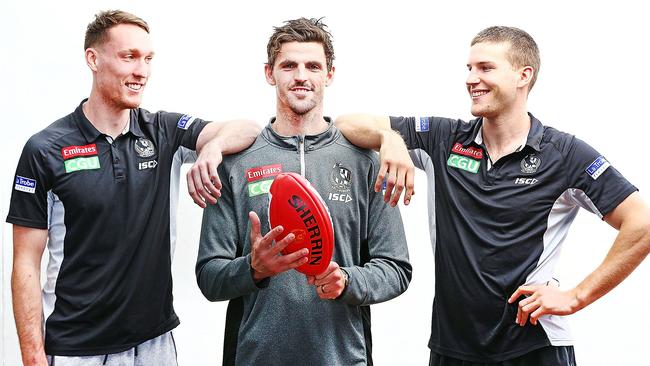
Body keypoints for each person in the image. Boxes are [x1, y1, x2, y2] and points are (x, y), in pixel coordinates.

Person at [336, 26, 650, 365]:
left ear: (523, 75)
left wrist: (577, 296)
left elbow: (641, 224)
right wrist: (389, 138)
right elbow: (344, 123)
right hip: (453, 346)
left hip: (535, 346)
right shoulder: (445, 138)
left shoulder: (564, 154)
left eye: (485, 68)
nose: (471, 78)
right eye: (469, 69)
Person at [7, 10, 260, 366]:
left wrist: (213, 147)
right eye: (128, 57)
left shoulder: (164, 132)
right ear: (93, 59)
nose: (141, 71)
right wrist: (33, 359)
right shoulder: (45, 149)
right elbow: (25, 265)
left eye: (148, 58)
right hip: (77, 350)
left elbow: (247, 128)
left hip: (154, 345)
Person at [196, 17, 412, 366]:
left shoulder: (365, 161)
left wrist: (347, 280)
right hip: (255, 358)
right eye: (289, 65)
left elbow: (396, 268)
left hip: (344, 358)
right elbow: (209, 277)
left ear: (329, 74)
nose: (301, 76)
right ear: (270, 73)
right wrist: (253, 269)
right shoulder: (234, 163)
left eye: (313, 66)